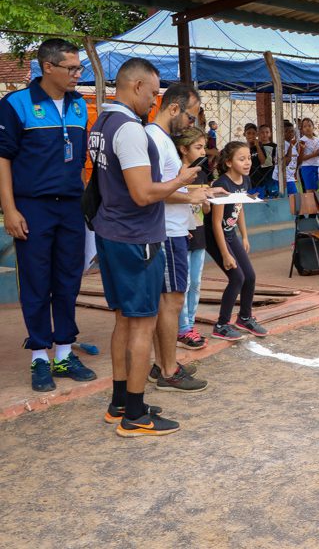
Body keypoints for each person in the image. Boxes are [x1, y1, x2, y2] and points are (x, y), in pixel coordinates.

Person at [90, 58, 200, 436]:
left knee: (124, 319)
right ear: (135, 86)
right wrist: (180, 180)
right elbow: (143, 193)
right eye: (153, 92)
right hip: (136, 237)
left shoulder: (102, 124)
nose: (154, 100)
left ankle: (120, 401)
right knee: (142, 323)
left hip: (111, 231)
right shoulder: (130, 130)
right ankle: (135, 414)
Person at [0, 38, 96, 392]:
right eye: (71, 68)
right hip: (33, 208)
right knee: (37, 282)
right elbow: (3, 160)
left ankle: (64, 351)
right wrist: (10, 209)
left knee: (68, 280)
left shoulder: (79, 106)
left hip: (70, 205)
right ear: (48, 67)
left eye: (79, 68)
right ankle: (40, 355)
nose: (77, 74)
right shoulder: (16, 105)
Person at [144, 82, 211, 393]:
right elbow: (159, 191)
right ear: (174, 108)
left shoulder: (162, 140)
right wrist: (192, 196)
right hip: (167, 232)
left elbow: (172, 187)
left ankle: (163, 363)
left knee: (168, 301)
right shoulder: (155, 140)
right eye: (191, 116)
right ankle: (168, 369)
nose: (191, 123)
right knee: (172, 302)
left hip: (172, 230)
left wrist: (201, 192)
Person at [205, 141, 267, 341]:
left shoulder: (245, 181)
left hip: (231, 235)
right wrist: (224, 254)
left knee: (249, 276)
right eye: (242, 159)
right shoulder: (222, 184)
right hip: (216, 238)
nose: (248, 162)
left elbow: (240, 208)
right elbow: (215, 223)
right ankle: (221, 325)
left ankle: (245, 318)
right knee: (237, 277)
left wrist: (245, 235)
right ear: (229, 162)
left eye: (249, 158)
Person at [174, 127, 211, 351]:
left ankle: (190, 325)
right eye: (198, 147)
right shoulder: (175, 174)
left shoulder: (202, 174)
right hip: (181, 233)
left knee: (195, 283)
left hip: (198, 234)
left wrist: (206, 203)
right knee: (183, 284)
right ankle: (182, 328)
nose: (203, 151)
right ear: (183, 149)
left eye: (204, 146)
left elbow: (204, 211)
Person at [296, 117, 319, 193]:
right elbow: (301, 158)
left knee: (315, 189)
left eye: (309, 126)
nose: (307, 128)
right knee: (309, 190)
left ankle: (314, 204)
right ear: (302, 129)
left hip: (317, 166)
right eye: (305, 126)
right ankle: (309, 204)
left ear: (313, 127)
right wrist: (314, 154)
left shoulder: (317, 140)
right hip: (307, 167)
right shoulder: (302, 141)